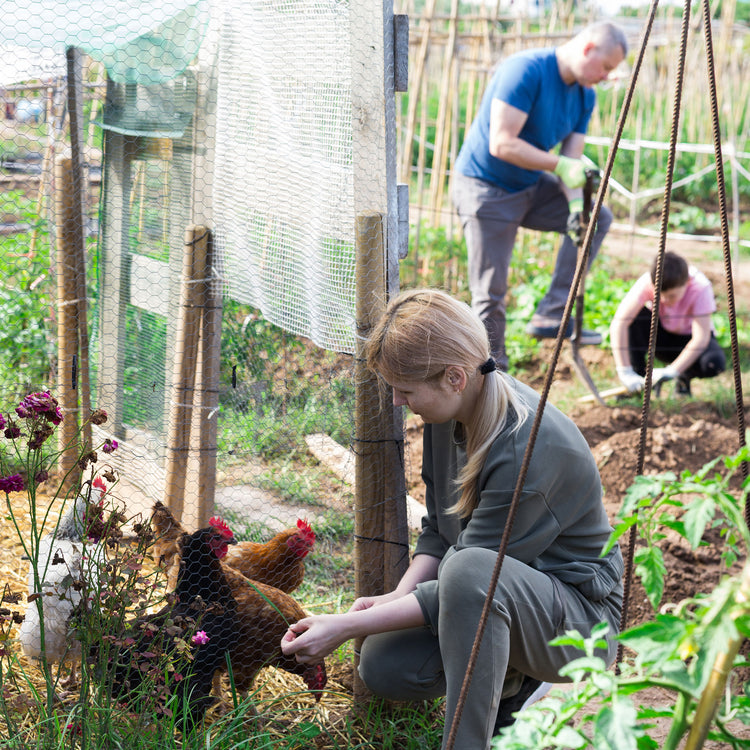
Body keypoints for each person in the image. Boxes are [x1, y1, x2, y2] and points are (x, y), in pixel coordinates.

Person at [281, 289, 624, 749]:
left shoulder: (533, 449)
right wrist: (396, 597)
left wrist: (346, 626)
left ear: (455, 377)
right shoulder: (450, 415)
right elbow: (442, 532)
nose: (399, 402)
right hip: (494, 593)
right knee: (386, 663)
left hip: (578, 624)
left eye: (405, 389)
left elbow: (472, 578)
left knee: (465, 574)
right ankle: (511, 680)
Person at [451, 22, 628, 370]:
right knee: (491, 294)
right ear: (588, 48)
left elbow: (571, 161)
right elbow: (502, 143)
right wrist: (560, 165)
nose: (607, 77)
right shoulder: (527, 70)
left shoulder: (584, 95)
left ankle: (551, 313)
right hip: (486, 188)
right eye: (606, 67)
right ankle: (492, 378)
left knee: (596, 219)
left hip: (528, 187)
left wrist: (577, 205)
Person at [611, 251, 726, 397]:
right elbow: (619, 323)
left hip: (689, 340)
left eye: (671, 296)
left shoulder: (700, 287)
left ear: (687, 283)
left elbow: (701, 338)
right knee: (634, 320)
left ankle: (684, 375)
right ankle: (637, 380)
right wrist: (625, 371)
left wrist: (673, 370)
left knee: (713, 363)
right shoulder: (647, 282)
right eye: (659, 295)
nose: (664, 300)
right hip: (661, 337)